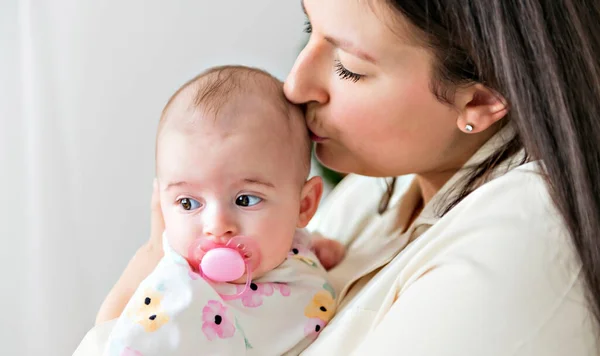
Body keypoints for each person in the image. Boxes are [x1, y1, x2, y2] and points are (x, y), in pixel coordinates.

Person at [89, 0, 600, 354]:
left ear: (482, 97)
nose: (295, 83)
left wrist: (145, 277)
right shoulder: (380, 188)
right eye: (311, 30)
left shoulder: (512, 253)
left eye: (349, 66)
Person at [86, 66, 345, 356]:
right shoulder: (178, 291)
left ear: (304, 205)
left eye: (246, 200)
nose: (217, 225)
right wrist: (151, 251)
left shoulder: (288, 246)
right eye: (188, 203)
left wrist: (316, 247)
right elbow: (107, 336)